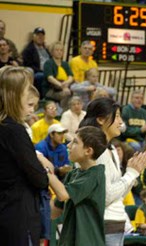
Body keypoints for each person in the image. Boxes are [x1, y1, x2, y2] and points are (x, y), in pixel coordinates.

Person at [79, 97, 146, 246]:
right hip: (102, 224)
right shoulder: (95, 152)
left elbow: (118, 192)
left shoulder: (111, 149)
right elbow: (105, 197)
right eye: (117, 116)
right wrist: (131, 173)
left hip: (116, 223)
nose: (121, 122)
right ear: (101, 119)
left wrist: (135, 171)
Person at [0, 66, 49, 245]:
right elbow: (39, 178)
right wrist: (43, 170)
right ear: (15, 95)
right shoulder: (14, 130)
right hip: (17, 216)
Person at [38, 126, 108, 246]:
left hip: (88, 241)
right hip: (68, 240)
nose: (68, 146)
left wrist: (45, 168)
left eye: (75, 142)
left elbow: (63, 195)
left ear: (88, 151)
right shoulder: (73, 174)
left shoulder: (95, 174)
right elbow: (55, 211)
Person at [22, 27, 50, 98]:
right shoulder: (28, 50)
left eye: (42, 36)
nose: (40, 37)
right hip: (37, 72)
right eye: (38, 35)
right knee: (41, 76)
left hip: (49, 72)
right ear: (33, 37)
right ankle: (41, 99)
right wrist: (43, 71)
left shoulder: (46, 49)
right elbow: (28, 65)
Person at [43, 41, 73, 107]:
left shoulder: (65, 64)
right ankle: (62, 112)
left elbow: (70, 76)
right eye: (57, 50)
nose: (59, 52)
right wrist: (62, 86)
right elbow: (50, 78)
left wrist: (66, 83)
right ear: (52, 52)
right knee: (66, 93)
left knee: (74, 91)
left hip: (65, 86)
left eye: (61, 50)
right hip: (51, 89)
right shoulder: (48, 63)